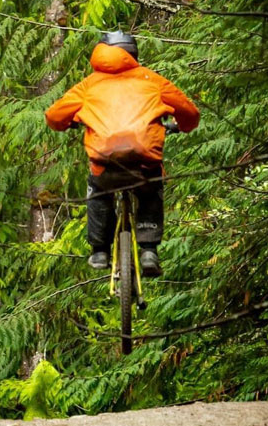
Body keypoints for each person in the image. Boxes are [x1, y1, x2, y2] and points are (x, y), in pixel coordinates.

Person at [45, 31, 200, 276]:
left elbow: (54, 116)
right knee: (151, 188)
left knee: (98, 190)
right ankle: (149, 249)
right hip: (143, 161)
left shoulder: (89, 84)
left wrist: (68, 123)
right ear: (133, 54)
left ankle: (99, 251)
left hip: (105, 161)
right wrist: (183, 126)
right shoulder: (152, 80)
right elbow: (189, 113)